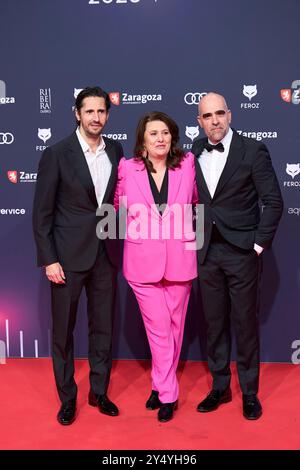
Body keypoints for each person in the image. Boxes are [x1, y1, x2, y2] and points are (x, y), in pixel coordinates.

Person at [33, 86, 123, 425]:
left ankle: (99, 392)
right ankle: (67, 397)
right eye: (90, 112)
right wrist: (49, 259)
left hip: (105, 254)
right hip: (67, 258)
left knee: (103, 328)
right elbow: (41, 213)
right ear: (77, 113)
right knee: (63, 332)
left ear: (107, 115)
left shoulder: (115, 149)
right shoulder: (56, 153)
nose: (96, 118)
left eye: (102, 112)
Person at [192, 92, 283, 420]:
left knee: (244, 324)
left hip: (242, 252)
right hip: (206, 253)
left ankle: (249, 391)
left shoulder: (253, 150)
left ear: (230, 115)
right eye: (207, 116)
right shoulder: (194, 152)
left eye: (219, 114)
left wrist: (257, 245)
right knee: (214, 324)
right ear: (199, 121)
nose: (214, 121)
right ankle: (219, 386)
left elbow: (273, 201)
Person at [114, 111, 198, 422]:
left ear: (172, 137)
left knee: (174, 330)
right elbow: (116, 206)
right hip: (141, 263)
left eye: (165, 132)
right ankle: (168, 395)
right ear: (143, 140)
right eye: (153, 133)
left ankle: (159, 383)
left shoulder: (187, 164)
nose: (160, 138)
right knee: (160, 329)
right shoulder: (127, 168)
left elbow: (199, 200)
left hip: (180, 261)